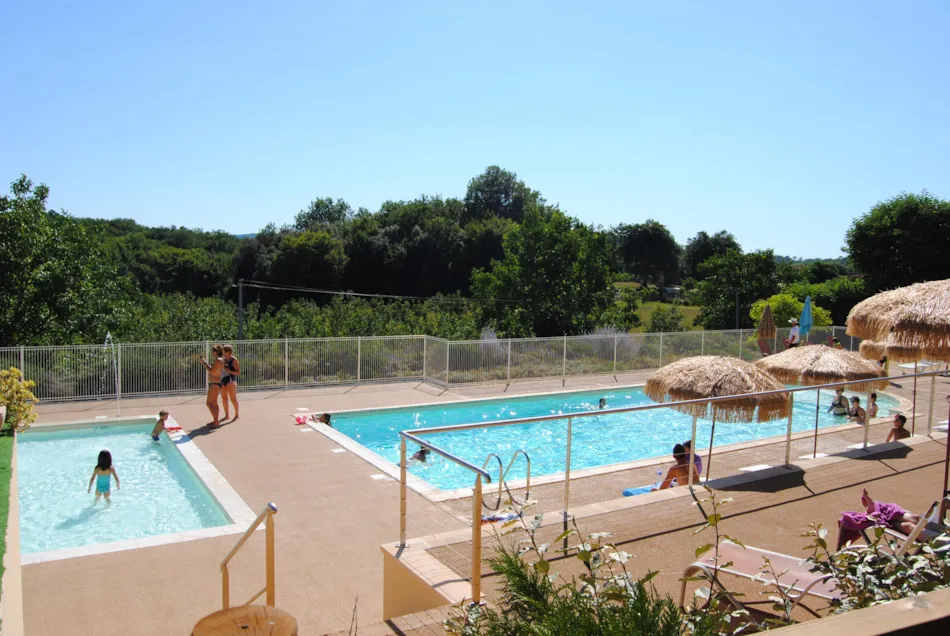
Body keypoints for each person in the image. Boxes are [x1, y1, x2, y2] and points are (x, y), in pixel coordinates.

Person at [837, 488, 922, 550]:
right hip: (925, 529)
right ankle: (877, 512)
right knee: (911, 521)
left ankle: (876, 512)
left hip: (927, 535)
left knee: (910, 523)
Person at [199, 345, 226, 428]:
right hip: (217, 383)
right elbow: (215, 370)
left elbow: (212, 371)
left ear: (215, 352)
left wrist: (204, 363)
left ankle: (216, 421)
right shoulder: (222, 359)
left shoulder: (218, 360)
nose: (212, 353)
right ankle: (216, 420)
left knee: (209, 403)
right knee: (214, 403)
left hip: (215, 383)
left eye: (212, 351)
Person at [221, 344, 241, 422]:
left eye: (225, 351)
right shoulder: (222, 360)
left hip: (231, 380)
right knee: (224, 398)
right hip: (223, 380)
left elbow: (238, 372)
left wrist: (229, 371)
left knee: (233, 399)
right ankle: (227, 415)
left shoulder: (234, 360)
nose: (223, 353)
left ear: (229, 352)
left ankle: (236, 414)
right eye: (223, 351)